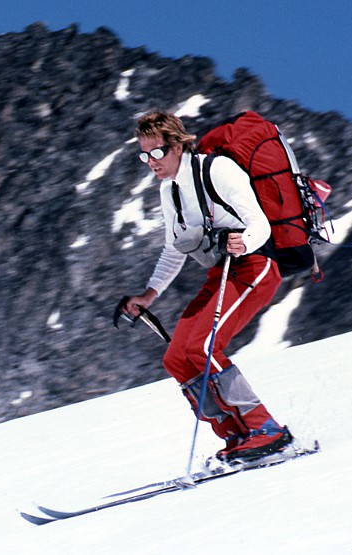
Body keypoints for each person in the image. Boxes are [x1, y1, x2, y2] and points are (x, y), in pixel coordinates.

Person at [125, 110, 292, 463]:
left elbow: (258, 223)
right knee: (177, 357)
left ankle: (266, 429)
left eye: (156, 152)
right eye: (144, 155)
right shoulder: (169, 191)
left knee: (202, 347)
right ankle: (236, 433)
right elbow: (174, 248)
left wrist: (243, 242)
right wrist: (148, 294)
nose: (151, 162)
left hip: (254, 265)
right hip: (221, 273)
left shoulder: (215, 170)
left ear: (177, 146)